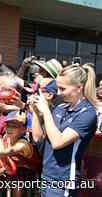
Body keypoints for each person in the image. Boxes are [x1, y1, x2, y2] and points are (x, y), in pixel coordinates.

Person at [30, 64, 99, 197]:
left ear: (79, 87)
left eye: (63, 88)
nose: (59, 93)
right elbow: (38, 139)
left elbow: (57, 142)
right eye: (58, 88)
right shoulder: (60, 108)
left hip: (63, 179)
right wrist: (34, 112)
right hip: (46, 175)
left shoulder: (88, 113)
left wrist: (45, 111)